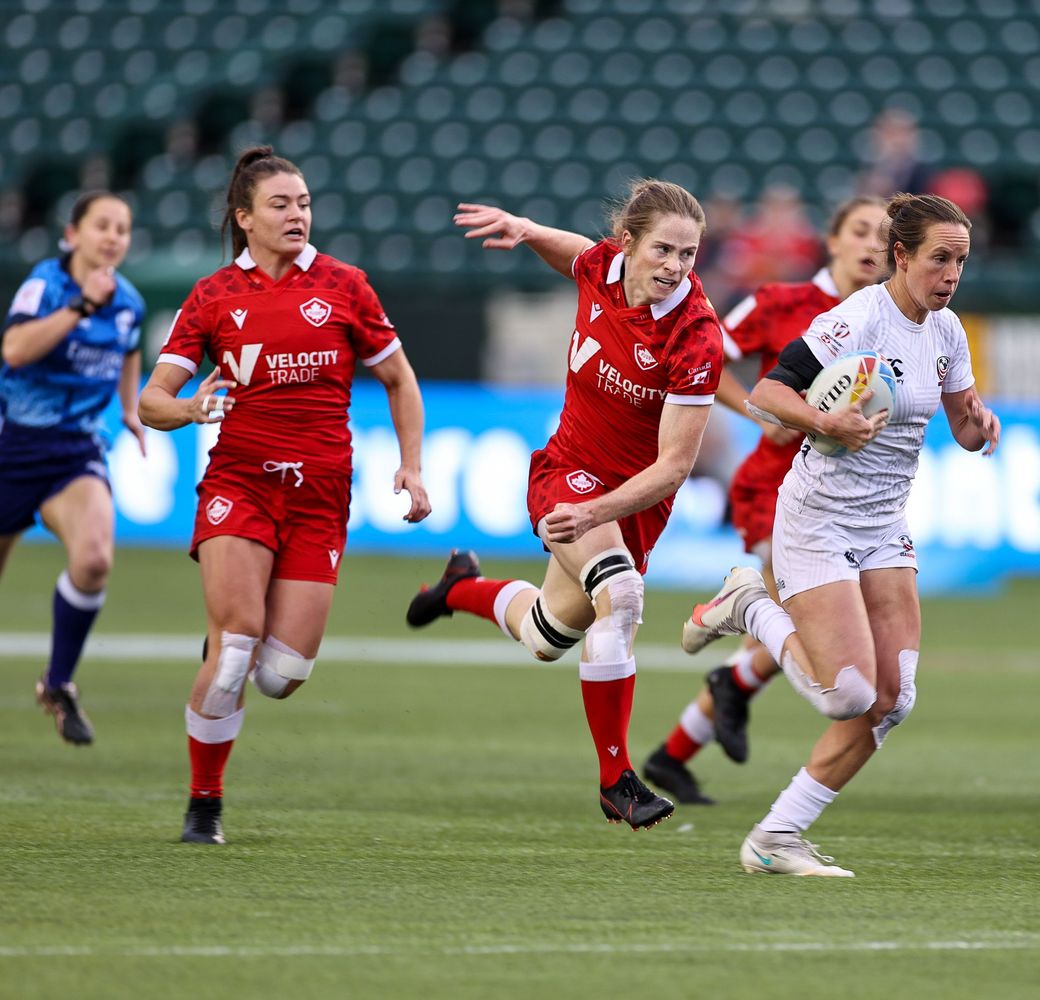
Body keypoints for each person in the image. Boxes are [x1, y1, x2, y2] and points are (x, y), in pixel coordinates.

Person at [680, 193, 1000, 876]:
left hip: (884, 525)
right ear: (902, 255)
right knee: (847, 695)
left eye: (961, 262)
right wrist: (827, 423)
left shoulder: (947, 333)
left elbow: (962, 423)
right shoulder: (855, 319)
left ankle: (777, 837)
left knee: (892, 702)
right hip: (817, 518)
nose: (951, 275)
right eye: (939, 259)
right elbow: (769, 393)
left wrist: (980, 427)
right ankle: (749, 606)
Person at [405, 179, 724, 831]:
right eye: (663, 249)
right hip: (568, 473)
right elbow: (574, 252)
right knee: (623, 597)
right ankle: (617, 782)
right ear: (628, 243)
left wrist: (603, 510)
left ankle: (459, 588)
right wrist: (526, 227)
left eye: (688, 255)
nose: (674, 267)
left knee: (547, 634)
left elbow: (673, 469)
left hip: (629, 502)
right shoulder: (602, 266)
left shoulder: (696, 338)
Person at [139, 146, 431, 845]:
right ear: (244, 218)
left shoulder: (345, 286)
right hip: (239, 483)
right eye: (280, 204)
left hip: (320, 496)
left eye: (302, 203)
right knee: (236, 647)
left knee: (279, 676)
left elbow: (399, 379)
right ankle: (204, 804)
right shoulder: (213, 297)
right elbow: (152, 401)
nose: (297, 214)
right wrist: (192, 410)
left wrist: (412, 467)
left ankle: (221, 638)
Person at [641, 196, 888, 806]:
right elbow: (706, 356)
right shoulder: (782, 303)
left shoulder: (893, 321)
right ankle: (727, 665)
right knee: (805, 627)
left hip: (852, 504)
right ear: (830, 240)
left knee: (799, 638)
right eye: (859, 230)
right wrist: (758, 407)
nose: (871, 245)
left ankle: (676, 749)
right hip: (776, 493)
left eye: (884, 238)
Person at [1, 191, 146, 745]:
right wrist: (81, 307)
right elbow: (14, 350)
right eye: (102, 225)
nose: (113, 237)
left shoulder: (127, 300)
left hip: (75, 452)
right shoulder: (46, 285)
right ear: (73, 235)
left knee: (93, 560)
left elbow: (130, 348)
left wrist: (129, 408)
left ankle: (58, 684)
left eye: (122, 229)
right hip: (12, 446)